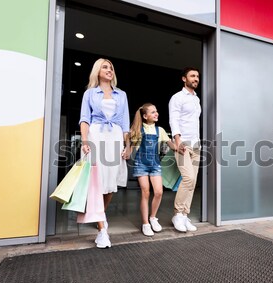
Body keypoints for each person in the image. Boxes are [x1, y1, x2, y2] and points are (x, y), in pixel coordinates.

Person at [79, 58, 130, 248]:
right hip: (96, 135)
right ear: (97, 71)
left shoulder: (121, 95)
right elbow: (84, 119)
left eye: (111, 68)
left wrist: (128, 145)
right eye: (105, 67)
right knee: (96, 181)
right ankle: (102, 230)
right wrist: (85, 140)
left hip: (115, 136)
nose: (109, 70)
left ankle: (99, 214)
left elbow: (125, 122)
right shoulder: (90, 94)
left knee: (110, 183)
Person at [130, 103, 176, 236]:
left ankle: (153, 218)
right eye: (152, 112)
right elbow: (131, 145)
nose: (156, 114)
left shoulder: (160, 130)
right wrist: (126, 151)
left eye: (156, 111)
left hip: (155, 164)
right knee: (145, 192)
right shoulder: (138, 129)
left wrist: (180, 147)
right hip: (141, 164)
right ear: (145, 116)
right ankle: (145, 224)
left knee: (159, 192)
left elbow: (171, 145)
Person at [168, 67, 202, 232]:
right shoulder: (177, 97)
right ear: (184, 79)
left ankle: (184, 215)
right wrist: (178, 140)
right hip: (183, 143)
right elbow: (173, 119)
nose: (195, 78)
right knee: (187, 178)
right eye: (192, 76)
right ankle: (177, 214)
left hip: (196, 145)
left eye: (197, 76)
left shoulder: (196, 99)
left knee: (193, 182)